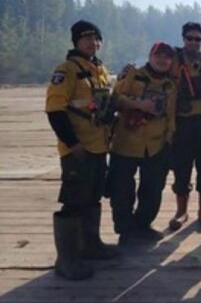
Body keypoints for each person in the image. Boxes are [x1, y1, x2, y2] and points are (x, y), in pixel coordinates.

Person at [45, 20, 119, 280]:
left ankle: (91, 245)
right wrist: (71, 143)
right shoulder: (66, 71)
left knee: (93, 197)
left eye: (96, 38)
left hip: (99, 147)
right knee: (73, 202)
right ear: (76, 41)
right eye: (87, 38)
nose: (93, 43)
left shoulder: (99, 69)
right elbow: (55, 111)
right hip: (77, 149)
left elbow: (102, 107)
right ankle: (67, 260)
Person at [107, 42, 176, 245]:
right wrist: (138, 105)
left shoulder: (169, 86)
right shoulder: (132, 75)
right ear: (150, 56)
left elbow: (170, 115)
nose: (162, 60)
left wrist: (170, 138)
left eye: (166, 57)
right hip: (126, 141)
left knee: (153, 189)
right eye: (158, 56)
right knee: (122, 190)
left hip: (155, 145)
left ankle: (143, 225)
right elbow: (115, 99)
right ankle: (125, 230)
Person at [168, 22, 201, 231]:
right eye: (189, 38)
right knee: (182, 168)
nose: (193, 42)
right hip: (182, 122)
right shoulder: (173, 60)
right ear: (183, 39)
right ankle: (181, 212)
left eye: (197, 38)